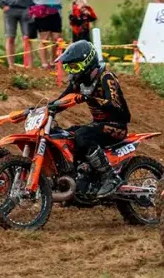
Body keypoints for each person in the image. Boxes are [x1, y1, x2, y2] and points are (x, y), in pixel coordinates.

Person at [53, 40, 132, 198]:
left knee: (82, 135)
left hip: (117, 126)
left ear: (87, 63)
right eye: (69, 67)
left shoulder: (106, 77)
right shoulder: (80, 82)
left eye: (75, 67)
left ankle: (110, 177)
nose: (72, 72)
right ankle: (82, 176)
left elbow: (116, 105)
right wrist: (45, 109)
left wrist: (90, 98)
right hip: (99, 125)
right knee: (66, 135)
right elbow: (62, 100)